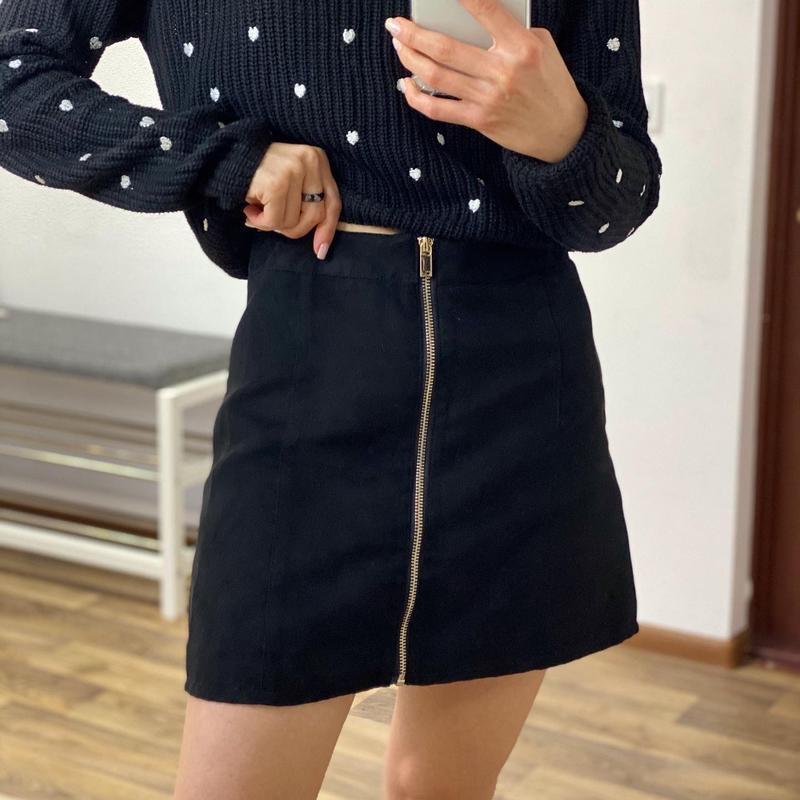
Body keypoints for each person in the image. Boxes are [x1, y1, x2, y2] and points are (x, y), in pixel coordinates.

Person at [0, 0, 662, 797]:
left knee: (442, 790)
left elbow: (618, 201)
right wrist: (223, 160)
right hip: (311, 358)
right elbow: (11, 77)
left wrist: (562, 133)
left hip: (524, 378)